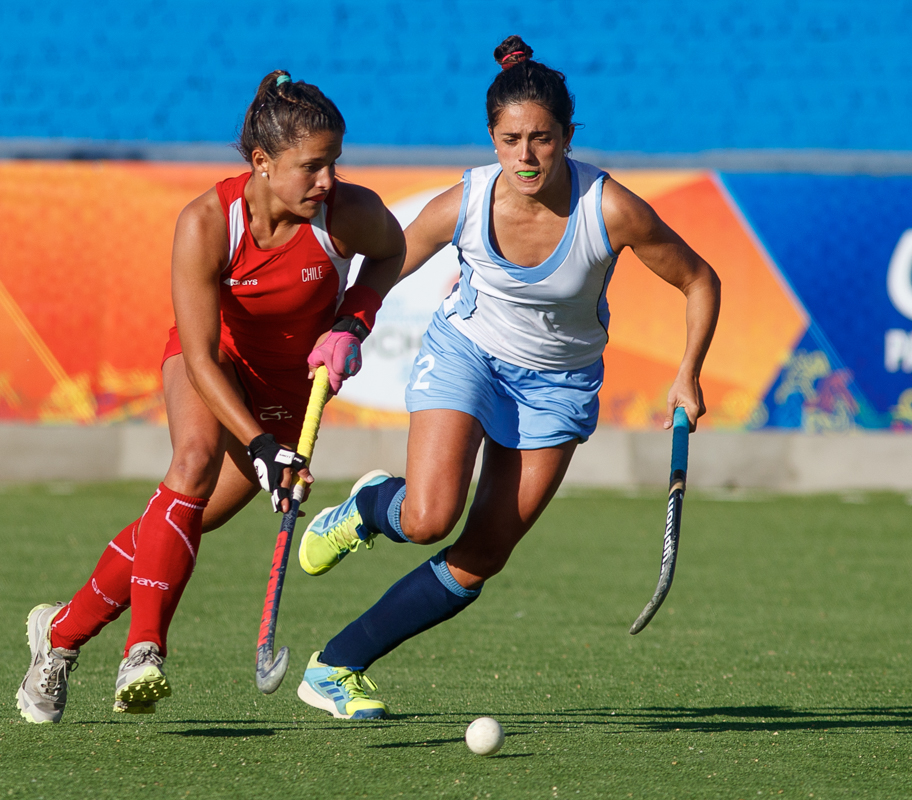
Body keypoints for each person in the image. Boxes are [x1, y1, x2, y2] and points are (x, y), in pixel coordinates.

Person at [294, 36, 721, 720]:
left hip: (559, 385)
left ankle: (335, 667)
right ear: (492, 138)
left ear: (567, 136)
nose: (525, 157)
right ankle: (374, 509)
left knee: (483, 554)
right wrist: (346, 325)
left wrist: (687, 374)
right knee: (430, 515)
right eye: (510, 139)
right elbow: (385, 263)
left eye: (542, 140)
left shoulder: (609, 209)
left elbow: (700, 280)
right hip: (469, 354)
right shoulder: (465, 201)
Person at [16, 70, 405, 723]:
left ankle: (58, 637)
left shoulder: (347, 214)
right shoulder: (206, 223)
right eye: (312, 167)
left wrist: (352, 321)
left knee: (184, 520)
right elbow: (198, 355)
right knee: (191, 463)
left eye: (335, 163)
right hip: (214, 363)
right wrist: (258, 448)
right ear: (262, 162)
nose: (328, 181)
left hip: (287, 388)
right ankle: (145, 651)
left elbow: (391, 252)